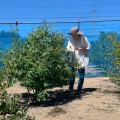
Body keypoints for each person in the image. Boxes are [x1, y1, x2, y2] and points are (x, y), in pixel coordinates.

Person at [66, 26, 90, 94]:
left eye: (74, 35)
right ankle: (70, 89)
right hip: (74, 58)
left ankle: (79, 89)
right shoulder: (71, 39)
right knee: (72, 73)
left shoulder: (84, 38)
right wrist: (67, 51)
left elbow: (88, 47)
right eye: (72, 35)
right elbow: (68, 47)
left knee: (81, 74)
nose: (73, 36)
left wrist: (82, 49)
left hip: (82, 58)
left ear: (78, 34)